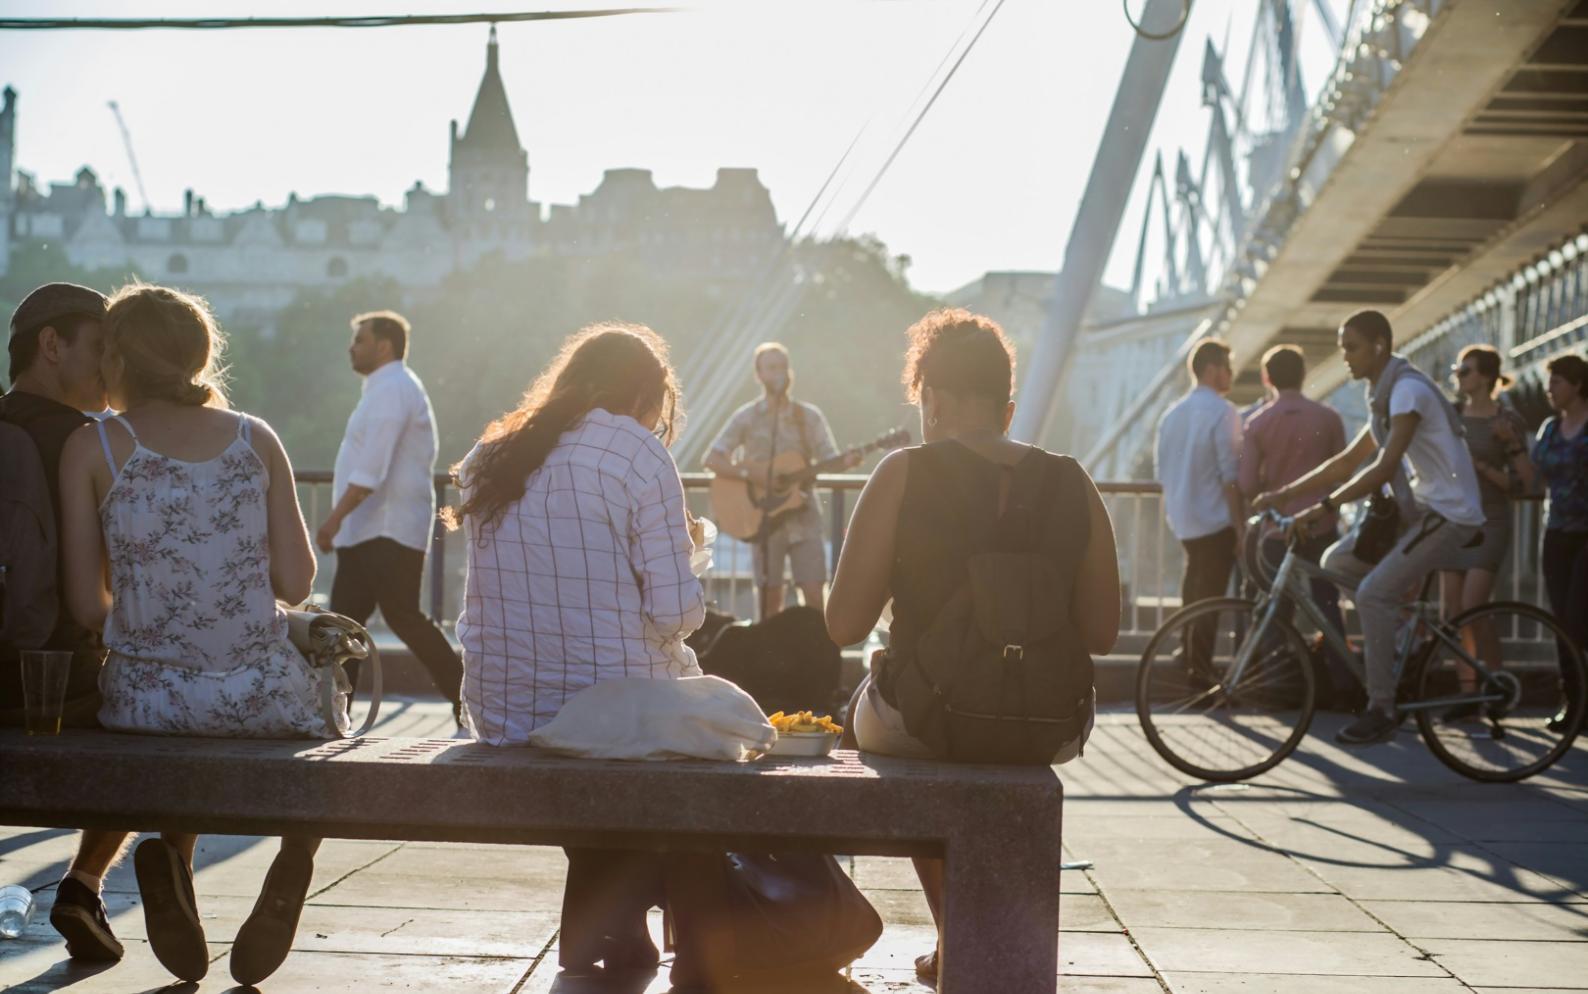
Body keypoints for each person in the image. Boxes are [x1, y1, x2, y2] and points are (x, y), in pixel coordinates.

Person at [826, 308, 1118, 982]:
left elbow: (842, 625)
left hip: (929, 719)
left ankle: (951, 930)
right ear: (1007, 407)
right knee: (963, 731)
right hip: (1051, 721)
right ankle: (982, 933)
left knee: (864, 726)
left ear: (929, 397)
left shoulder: (904, 472)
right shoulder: (1074, 481)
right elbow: (1102, 632)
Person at [57, 283, 327, 986]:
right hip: (259, 694)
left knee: (180, 715)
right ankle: (295, 856)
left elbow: (88, 607)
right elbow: (296, 584)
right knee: (327, 705)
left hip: (146, 697)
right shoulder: (255, 437)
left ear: (115, 358)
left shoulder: (92, 448)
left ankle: (170, 863)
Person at [450, 322, 704, 973]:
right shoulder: (638, 453)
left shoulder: (495, 451)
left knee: (593, 717)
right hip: (613, 715)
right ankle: (666, 906)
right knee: (715, 721)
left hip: (505, 710)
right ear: (648, 394)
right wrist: (688, 552)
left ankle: (612, 914)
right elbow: (676, 614)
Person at [1254, 310, 1483, 745]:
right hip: (1425, 509)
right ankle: (1401, 630)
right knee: (1334, 560)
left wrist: (1322, 507)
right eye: (1342, 348)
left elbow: (1383, 468)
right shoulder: (1384, 395)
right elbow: (1344, 463)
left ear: (1380, 346)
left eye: (1351, 347)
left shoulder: (1407, 392)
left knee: (1372, 593)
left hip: (1449, 514)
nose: (1344, 357)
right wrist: (1283, 496)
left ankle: (1382, 706)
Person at [0, 283, 133, 965]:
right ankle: (83, 882)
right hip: (67, 689)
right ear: (52, 346)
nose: (111, 369)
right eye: (101, 350)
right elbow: (110, 594)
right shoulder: (92, 445)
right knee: (165, 705)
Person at [318, 310, 463, 725]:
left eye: (359, 340)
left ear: (383, 345)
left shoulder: (391, 390)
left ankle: (464, 694)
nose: (352, 347)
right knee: (348, 623)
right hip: (375, 528)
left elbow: (371, 471)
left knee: (392, 617)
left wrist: (333, 520)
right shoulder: (388, 388)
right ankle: (335, 711)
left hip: (384, 527)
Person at [704, 343, 859, 619]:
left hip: (805, 516)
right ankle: (767, 659)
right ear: (759, 375)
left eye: (783, 367)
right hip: (762, 518)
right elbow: (713, 458)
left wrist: (846, 461)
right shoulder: (747, 417)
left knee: (814, 595)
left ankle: (816, 656)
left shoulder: (808, 416)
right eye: (771, 368)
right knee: (769, 600)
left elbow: (829, 457)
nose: (779, 373)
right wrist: (751, 474)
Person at [1237, 345, 1352, 704]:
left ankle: (1277, 686)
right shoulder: (1329, 418)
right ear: (1304, 375)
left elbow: (1246, 484)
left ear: (1267, 378)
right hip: (1320, 523)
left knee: (1276, 608)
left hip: (1278, 528)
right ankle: (1344, 684)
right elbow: (1341, 474)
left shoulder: (1257, 423)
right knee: (1327, 604)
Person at [1438, 344, 1535, 722]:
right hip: (1454, 519)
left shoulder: (1506, 420)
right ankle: (1467, 692)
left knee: (1474, 606)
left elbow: (1523, 483)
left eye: (1466, 371)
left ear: (1486, 377)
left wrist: (1480, 462)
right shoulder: (1453, 416)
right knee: (1451, 612)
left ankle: (1496, 682)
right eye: (1457, 370)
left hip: (1490, 519)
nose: (1458, 377)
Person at [1154, 338, 1244, 678]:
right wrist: (1240, 526)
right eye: (1227, 367)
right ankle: (1200, 669)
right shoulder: (1223, 412)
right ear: (1211, 370)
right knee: (1211, 597)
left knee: (1193, 584)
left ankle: (1187, 651)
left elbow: (1161, 471)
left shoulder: (1171, 415)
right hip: (1215, 518)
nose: (1231, 373)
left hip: (1183, 517)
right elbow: (1229, 475)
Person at [1532, 352, 1588, 733]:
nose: (1549, 389)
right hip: (1556, 532)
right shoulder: (1550, 428)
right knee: (1561, 620)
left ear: (1578, 385)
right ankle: (1573, 702)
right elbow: (1533, 479)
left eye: (1557, 382)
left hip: (1587, 532)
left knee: (1577, 614)